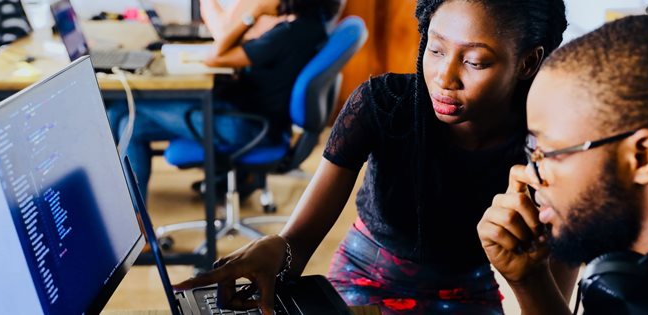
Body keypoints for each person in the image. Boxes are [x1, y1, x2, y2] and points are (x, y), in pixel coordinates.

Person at [173, 1, 571, 314]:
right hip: (364, 277)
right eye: (434, 49)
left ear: (528, 62)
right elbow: (298, 243)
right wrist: (278, 249)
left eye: (474, 61)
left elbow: (551, 299)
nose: (444, 79)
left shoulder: (551, 148)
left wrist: (527, 277)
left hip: (470, 292)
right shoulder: (383, 105)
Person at [477, 15, 648, 315]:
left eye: (550, 152)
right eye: (532, 151)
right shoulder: (640, 283)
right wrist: (531, 280)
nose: (528, 174)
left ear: (642, 158)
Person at [109, 0, 340, 200]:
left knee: (124, 112)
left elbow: (216, 56)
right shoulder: (312, 27)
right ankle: (137, 224)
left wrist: (253, 14)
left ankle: (129, 221)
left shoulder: (287, 35)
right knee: (130, 124)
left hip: (246, 126)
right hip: (254, 120)